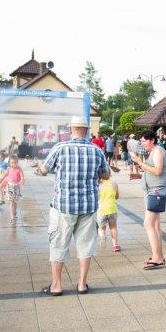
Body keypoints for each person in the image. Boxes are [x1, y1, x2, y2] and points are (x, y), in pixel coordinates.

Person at [37, 116, 110, 295]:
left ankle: (56, 286)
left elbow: (44, 170)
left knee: (58, 244)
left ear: (70, 130)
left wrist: (41, 167)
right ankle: (82, 284)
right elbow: (106, 175)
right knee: (85, 246)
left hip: (64, 206)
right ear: (86, 131)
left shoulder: (60, 148)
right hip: (88, 206)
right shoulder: (96, 150)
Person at [130, 130, 166, 270]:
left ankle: (157, 257)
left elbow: (158, 171)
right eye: (141, 141)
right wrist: (140, 174)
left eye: (144, 141)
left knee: (148, 224)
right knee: (155, 225)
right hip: (151, 190)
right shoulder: (154, 152)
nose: (143, 144)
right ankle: (159, 256)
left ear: (152, 140)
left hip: (156, 191)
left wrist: (140, 162)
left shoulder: (158, 151)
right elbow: (151, 170)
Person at [97, 173, 121, 252]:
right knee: (113, 227)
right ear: (110, 175)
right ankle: (115, 245)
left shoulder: (98, 185)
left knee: (101, 228)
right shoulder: (114, 184)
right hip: (112, 209)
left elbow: (96, 197)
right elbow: (117, 196)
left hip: (101, 210)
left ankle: (102, 237)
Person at [1, 155, 25, 223]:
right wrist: (1, 182)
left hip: (16, 187)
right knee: (11, 202)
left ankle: (14, 213)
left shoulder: (19, 169)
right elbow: (3, 176)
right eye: (12, 163)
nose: (14, 164)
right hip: (10, 187)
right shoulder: (8, 169)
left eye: (15, 162)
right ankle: (12, 217)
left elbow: (22, 177)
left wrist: (22, 181)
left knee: (15, 201)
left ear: (17, 162)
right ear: (9, 163)